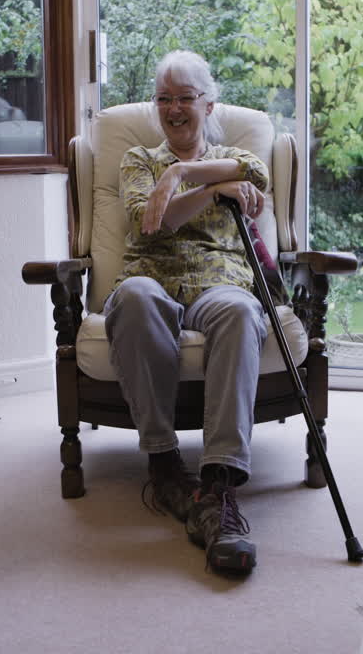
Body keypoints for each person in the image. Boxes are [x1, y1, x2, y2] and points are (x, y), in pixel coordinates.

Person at [103, 50, 269, 574]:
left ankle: (219, 489)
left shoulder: (231, 154)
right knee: (132, 297)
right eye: (164, 98)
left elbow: (255, 172)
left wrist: (181, 174)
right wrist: (213, 190)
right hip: (151, 277)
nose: (173, 109)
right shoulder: (136, 160)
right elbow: (149, 224)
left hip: (220, 284)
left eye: (185, 98)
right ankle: (165, 466)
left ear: (208, 102)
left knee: (242, 313)